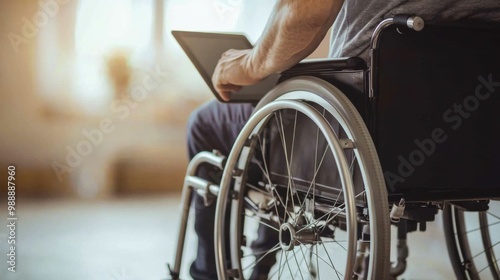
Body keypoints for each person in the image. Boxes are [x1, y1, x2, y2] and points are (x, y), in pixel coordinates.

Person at [186, 0, 500, 279]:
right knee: (282, 120)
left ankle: (210, 272)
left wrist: (247, 64)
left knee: (206, 123)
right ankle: (260, 257)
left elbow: (305, 11)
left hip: (362, 127)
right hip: (474, 140)